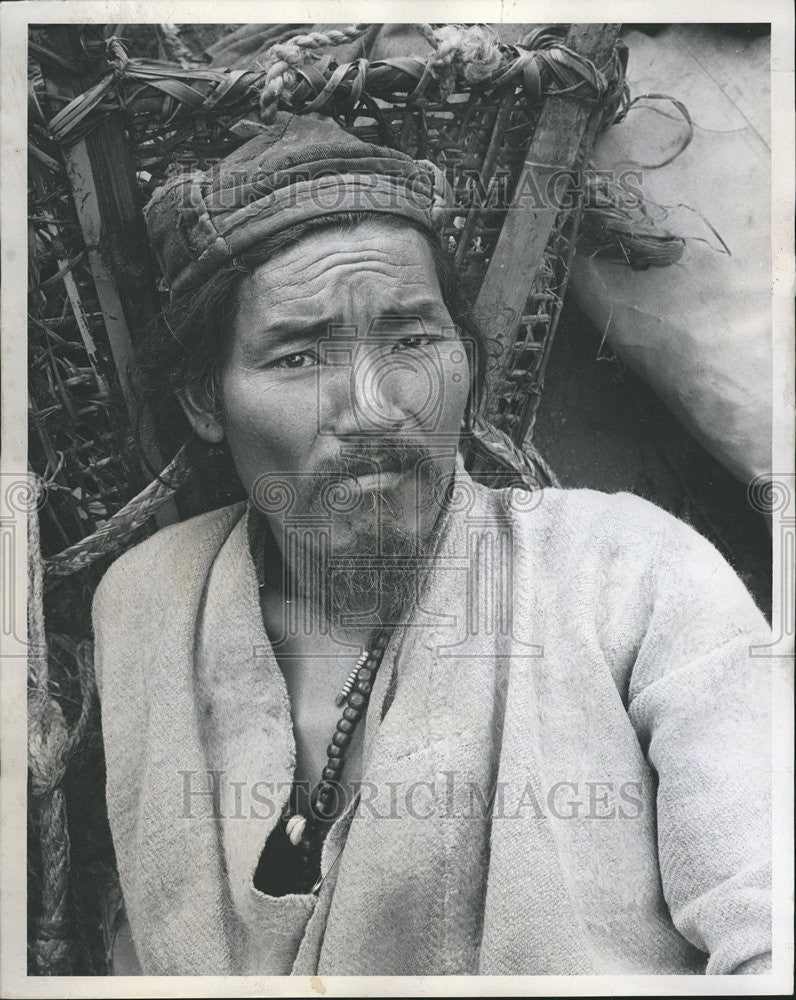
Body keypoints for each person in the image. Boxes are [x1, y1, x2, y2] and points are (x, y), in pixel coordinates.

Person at [92, 112, 772, 976]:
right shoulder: (150, 604)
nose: (375, 408)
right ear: (204, 400)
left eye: (412, 340)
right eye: (299, 357)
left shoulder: (629, 574)